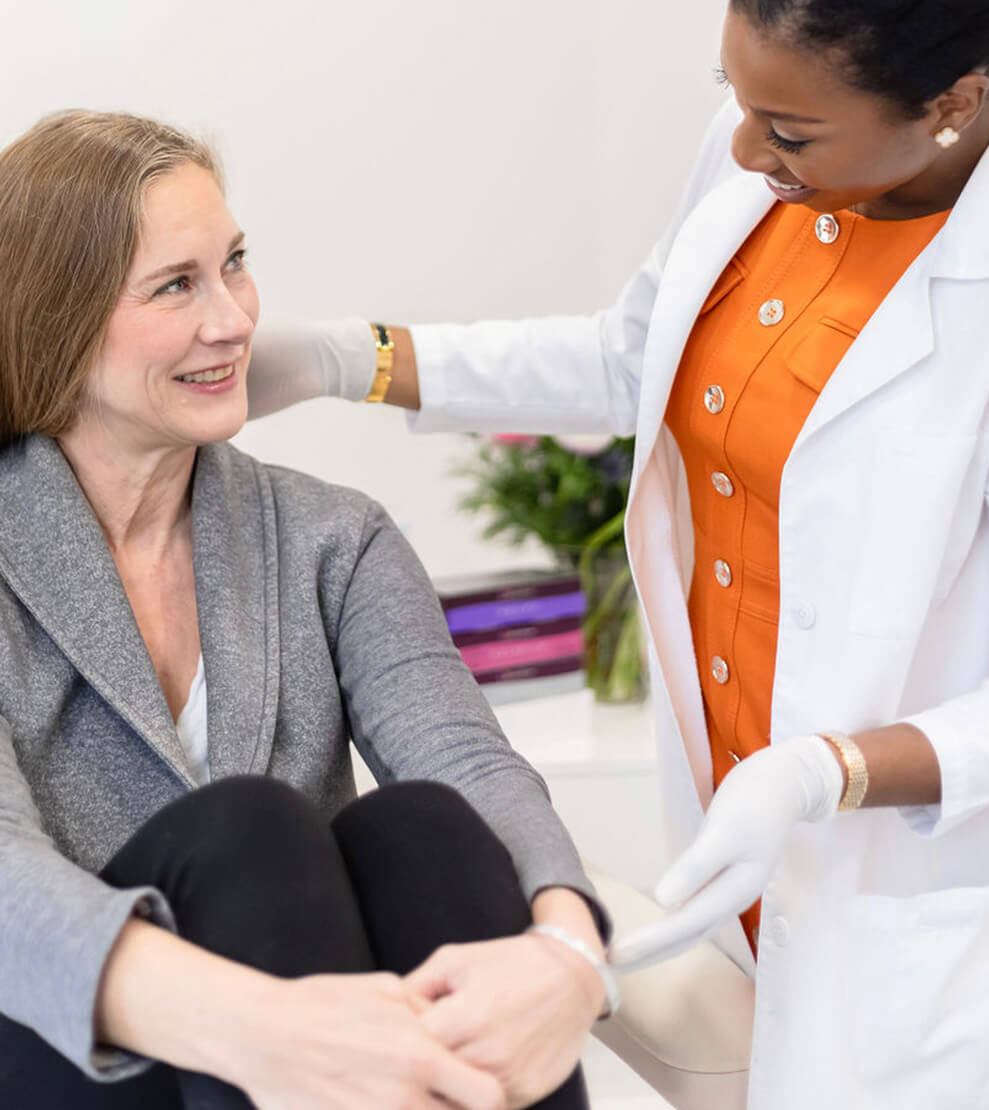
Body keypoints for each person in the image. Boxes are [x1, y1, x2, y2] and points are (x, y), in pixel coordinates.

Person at [248, 0, 989, 1107]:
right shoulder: (757, 156)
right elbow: (625, 356)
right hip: (740, 827)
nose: (749, 143)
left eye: (794, 128)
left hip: (919, 879)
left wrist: (836, 768)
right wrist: (353, 360)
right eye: (737, 94)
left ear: (957, 101)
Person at [0, 110, 615, 1109]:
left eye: (233, 264)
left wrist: (565, 948)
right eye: (175, 286)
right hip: (72, 1047)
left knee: (422, 827)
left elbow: (464, 762)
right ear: (57, 322)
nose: (235, 320)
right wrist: (256, 1025)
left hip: (318, 1048)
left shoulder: (333, 537)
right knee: (249, 828)